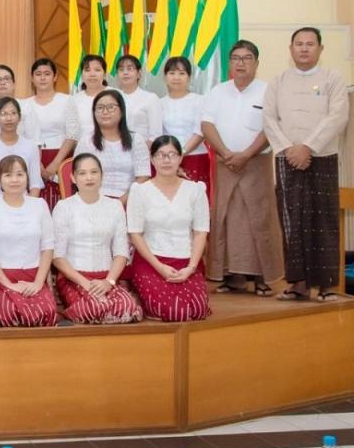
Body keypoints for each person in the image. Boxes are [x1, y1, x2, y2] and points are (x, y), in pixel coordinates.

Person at [263, 27, 350, 301]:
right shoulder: (278, 81)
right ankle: (297, 284)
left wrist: (308, 147)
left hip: (321, 157)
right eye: (298, 44)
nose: (303, 48)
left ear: (320, 49)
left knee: (323, 219)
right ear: (290, 49)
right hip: (287, 157)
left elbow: (338, 117)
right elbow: (269, 119)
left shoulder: (333, 79)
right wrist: (289, 149)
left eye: (310, 44)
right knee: (291, 219)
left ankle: (326, 286)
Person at [200, 40, 284, 295]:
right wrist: (226, 153)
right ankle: (231, 276)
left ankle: (262, 278)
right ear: (230, 63)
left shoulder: (268, 91)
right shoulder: (218, 91)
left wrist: (246, 154)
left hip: (256, 163)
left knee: (258, 218)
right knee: (226, 217)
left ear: (256, 63)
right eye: (236, 58)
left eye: (247, 58)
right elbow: (206, 124)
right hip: (225, 162)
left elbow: (271, 128)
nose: (241, 63)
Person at [51, 153, 142, 324]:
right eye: (82, 173)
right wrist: (85, 283)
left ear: (102, 175)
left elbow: (121, 253)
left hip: (106, 277)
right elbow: (57, 257)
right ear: (73, 178)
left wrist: (109, 281)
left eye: (94, 172)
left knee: (127, 308)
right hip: (75, 278)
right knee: (94, 308)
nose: (89, 177)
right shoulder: (63, 208)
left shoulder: (115, 206)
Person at [127, 136, 210, 321]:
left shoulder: (195, 190)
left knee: (197, 310)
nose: (166, 160)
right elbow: (135, 234)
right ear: (152, 159)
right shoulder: (140, 191)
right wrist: (160, 267)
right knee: (174, 311)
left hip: (186, 262)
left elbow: (200, 233)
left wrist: (191, 268)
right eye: (160, 155)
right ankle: (138, 297)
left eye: (172, 154)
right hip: (152, 261)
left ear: (180, 158)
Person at [0, 155, 57, 327]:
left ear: (27, 177)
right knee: (11, 313)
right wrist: (9, 285)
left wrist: (38, 282)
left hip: (33, 277)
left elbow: (48, 247)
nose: (14, 180)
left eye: (19, 174)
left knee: (46, 313)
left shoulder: (40, 205)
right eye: (8, 175)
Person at [74, 90, 150, 204]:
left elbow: (143, 177)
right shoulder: (86, 141)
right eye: (100, 108)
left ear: (121, 111)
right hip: (95, 201)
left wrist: (120, 202)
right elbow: (79, 176)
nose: (105, 112)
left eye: (111, 107)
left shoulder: (136, 140)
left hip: (130, 200)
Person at [48, 54, 114, 174]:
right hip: (83, 155)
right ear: (82, 74)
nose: (92, 74)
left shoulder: (116, 95)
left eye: (97, 70)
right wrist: (56, 162)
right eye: (87, 70)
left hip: (112, 154)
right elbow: (71, 134)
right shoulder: (74, 100)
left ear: (104, 74)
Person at [19, 58, 70, 208]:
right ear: (31, 78)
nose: (42, 78)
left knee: (62, 201)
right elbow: (22, 136)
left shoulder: (67, 100)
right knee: (36, 203)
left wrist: (55, 164)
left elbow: (72, 134)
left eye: (47, 74)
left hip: (61, 156)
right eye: (38, 74)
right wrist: (36, 163)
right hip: (32, 158)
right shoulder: (24, 104)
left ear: (55, 77)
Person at [0, 97, 43, 201]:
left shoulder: (31, 146)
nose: (9, 118)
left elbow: (35, 185)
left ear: (19, 117)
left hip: (24, 204)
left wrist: (28, 206)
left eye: (13, 113)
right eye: (3, 114)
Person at [161, 56, 210, 198]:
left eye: (182, 73)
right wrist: (171, 158)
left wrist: (179, 154)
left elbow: (200, 132)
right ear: (165, 77)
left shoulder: (200, 100)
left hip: (196, 158)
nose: (176, 77)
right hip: (167, 161)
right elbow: (159, 134)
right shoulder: (159, 103)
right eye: (172, 73)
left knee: (196, 200)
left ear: (189, 77)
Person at [116, 54, 163, 144]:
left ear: (139, 74)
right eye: (121, 69)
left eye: (129, 69)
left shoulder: (150, 98)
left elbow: (155, 134)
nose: (125, 73)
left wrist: (142, 149)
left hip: (143, 148)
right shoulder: (113, 97)